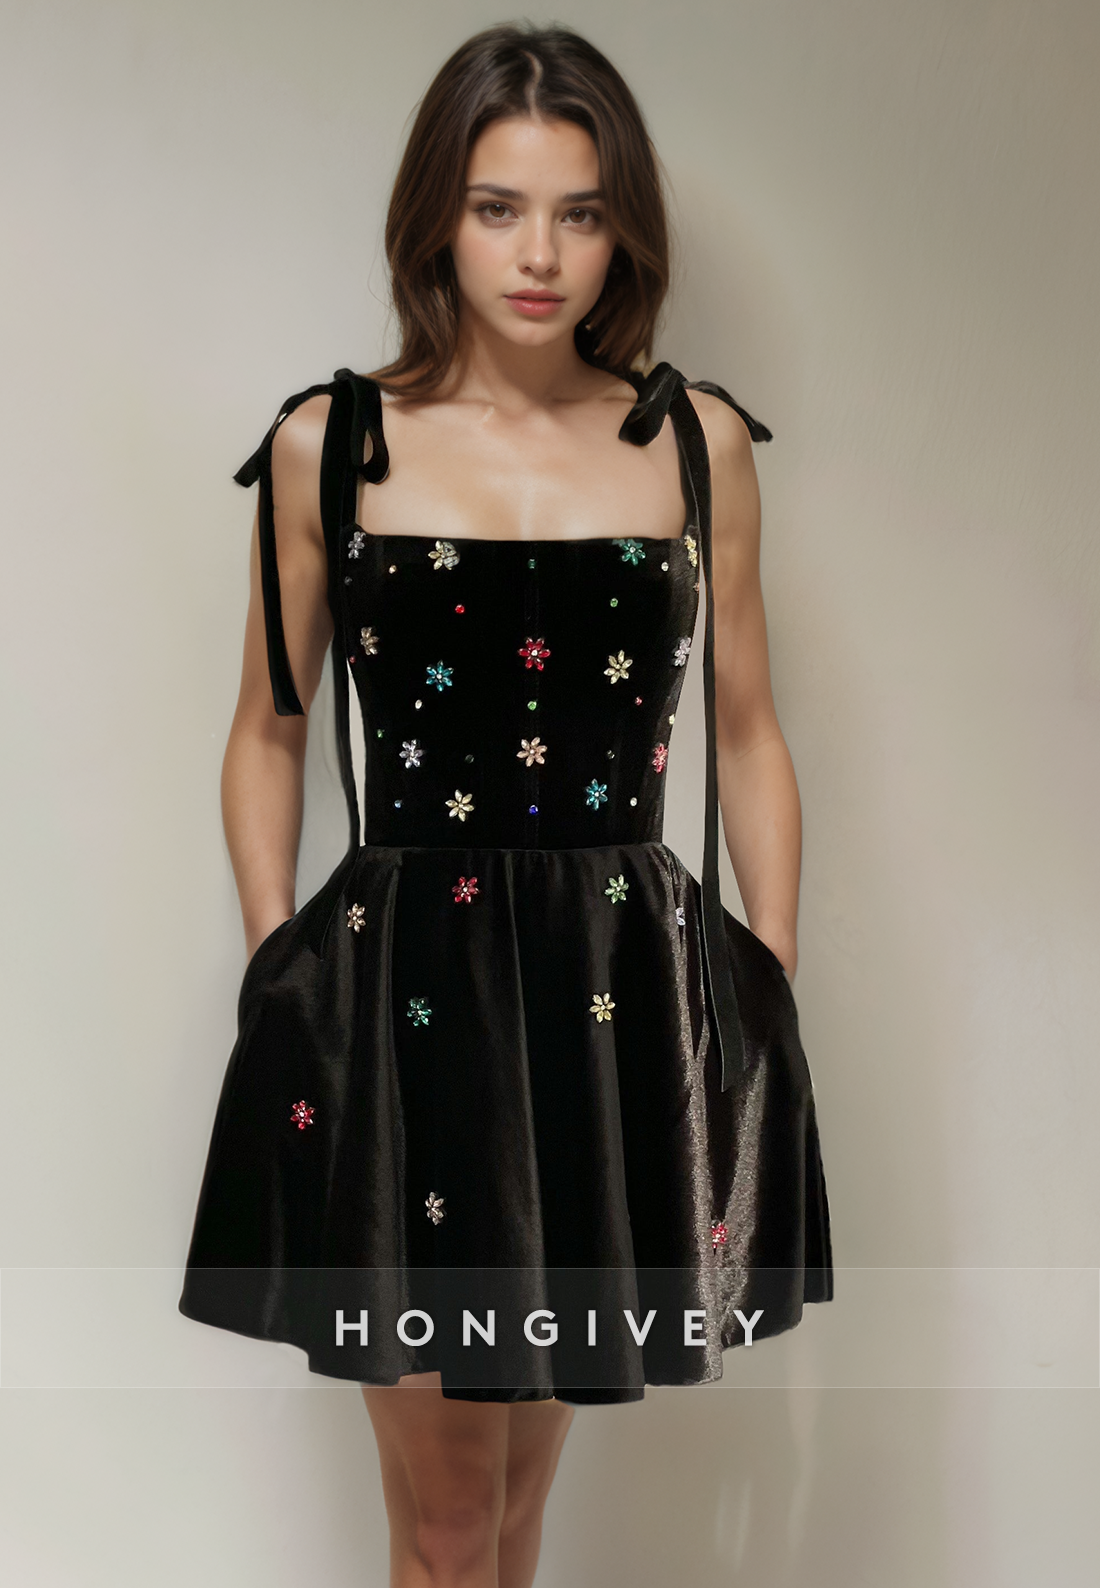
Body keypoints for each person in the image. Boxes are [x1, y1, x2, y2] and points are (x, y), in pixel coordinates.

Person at [180, 22, 832, 1586]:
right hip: (401, 1004)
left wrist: (764, 971)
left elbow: (751, 729)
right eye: (497, 209)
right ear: (437, 218)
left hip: (613, 1005)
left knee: (515, 1516)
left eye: (580, 212)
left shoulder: (697, 444)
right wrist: (280, 965)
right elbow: (268, 728)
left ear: (624, 230)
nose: (540, 255)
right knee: (450, 1517)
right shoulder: (331, 443)